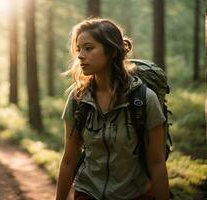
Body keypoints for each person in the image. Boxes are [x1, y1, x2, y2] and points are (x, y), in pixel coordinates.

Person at [55, 18, 170, 200]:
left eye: (89, 48)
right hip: (87, 193)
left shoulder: (144, 100)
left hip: (134, 194)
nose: (80, 56)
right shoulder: (78, 99)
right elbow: (69, 160)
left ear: (112, 51)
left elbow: (156, 163)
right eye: (79, 49)